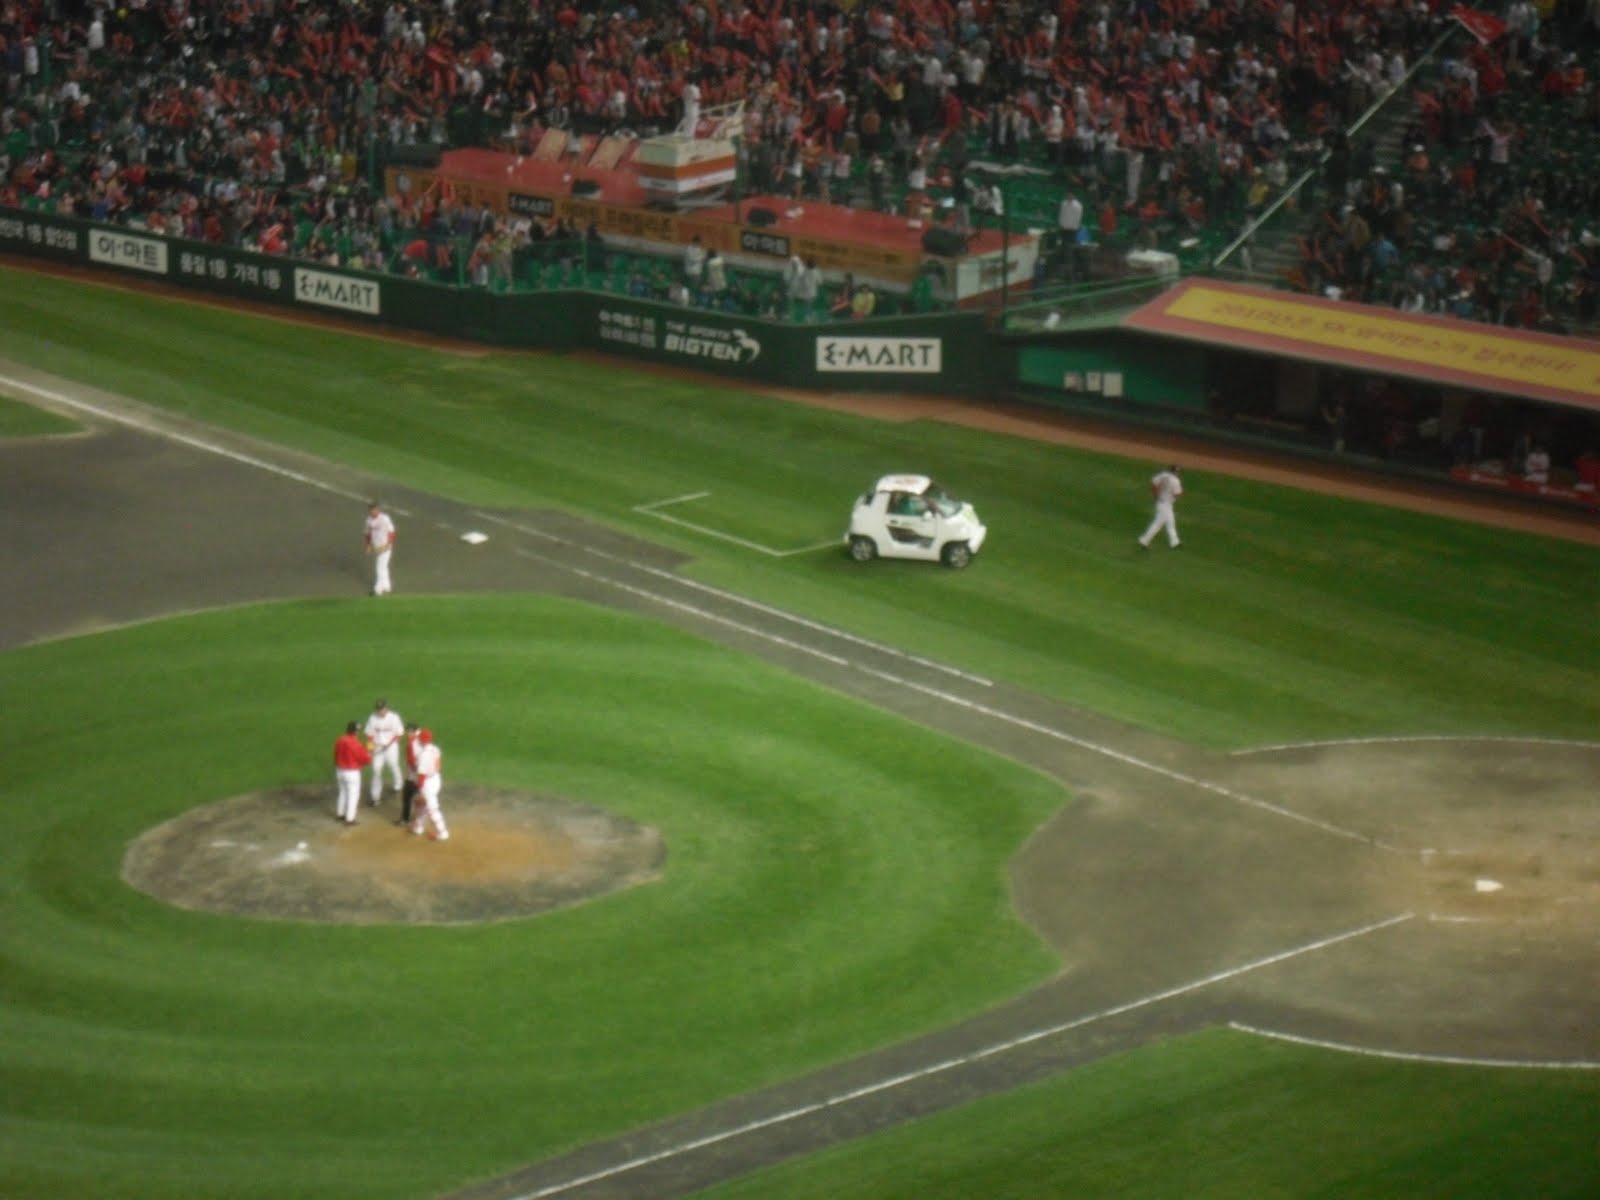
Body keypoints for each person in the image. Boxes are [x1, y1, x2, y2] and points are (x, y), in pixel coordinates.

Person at [364, 698, 406, 805]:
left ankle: (398, 784)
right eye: (378, 709)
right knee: (376, 770)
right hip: (377, 747)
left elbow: (399, 733)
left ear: (386, 708)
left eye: (382, 709)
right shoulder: (372, 718)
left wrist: (389, 744)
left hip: (391, 747)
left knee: (393, 765)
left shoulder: (394, 717)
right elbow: (369, 735)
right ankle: (375, 796)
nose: (380, 711)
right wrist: (370, 749)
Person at [409, 729, 450, 841]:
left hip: (427, 782)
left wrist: (419, 788)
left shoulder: (423, 755)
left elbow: (421, 774)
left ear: (422, 740)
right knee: (423, 804)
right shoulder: (436, 749)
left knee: (431, 808)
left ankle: (442, 832)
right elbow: (439, 763)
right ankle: (418, 827)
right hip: (436, 778)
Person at [333, 721, 372, 826]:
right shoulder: (355, 743)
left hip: (340, 771)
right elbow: (365, 759)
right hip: (351, 773)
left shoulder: (340, 740)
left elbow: (336, 754)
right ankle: (350, 819)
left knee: (343, 792)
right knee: (353, 795)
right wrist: (370, 753)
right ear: (356, 731)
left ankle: (340, 813)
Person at [1137, 465, 1184, 549]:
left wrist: (1155, 496)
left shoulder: (1162, 475)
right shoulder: (1175, 481)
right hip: (1166, 505)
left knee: (1170, 523)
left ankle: (1175, 542)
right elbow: (1177, 493)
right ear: (1176, 472)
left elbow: (1153, 483)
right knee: (1157, 524)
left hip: (1160, 502)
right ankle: (1144, 541)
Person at [364, 500, 396, 595]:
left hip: (385, 546)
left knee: (380, 567)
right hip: (377, 547)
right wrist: (368, 545)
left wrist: (388, 544)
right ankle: (387, 586)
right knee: (384, 567)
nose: (372, 511)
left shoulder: (384, 518)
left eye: (374, 510)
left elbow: (392, 531)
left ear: (378, 510)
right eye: (371, 510)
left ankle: (377, 590)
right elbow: (367, 533)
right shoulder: (368, 520)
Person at [399, 721, 422, 827]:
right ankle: (418, 820)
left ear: (412, 731)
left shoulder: (411, 743)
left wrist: (414, 772)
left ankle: (406, 819)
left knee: (407, 797)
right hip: (421, 775)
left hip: (413, 775)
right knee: (419, 797)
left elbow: (412, 760)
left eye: (408, 731)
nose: (406, 733)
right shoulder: (420, 741)